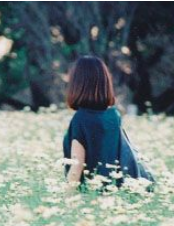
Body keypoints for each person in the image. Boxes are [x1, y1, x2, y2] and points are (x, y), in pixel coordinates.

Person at [62, 55, 155, 191]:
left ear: (77, 85)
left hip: (93, 195)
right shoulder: (113, 115)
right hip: (117, 192)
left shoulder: (80, 118)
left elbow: (77, 166)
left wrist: (67, 200)